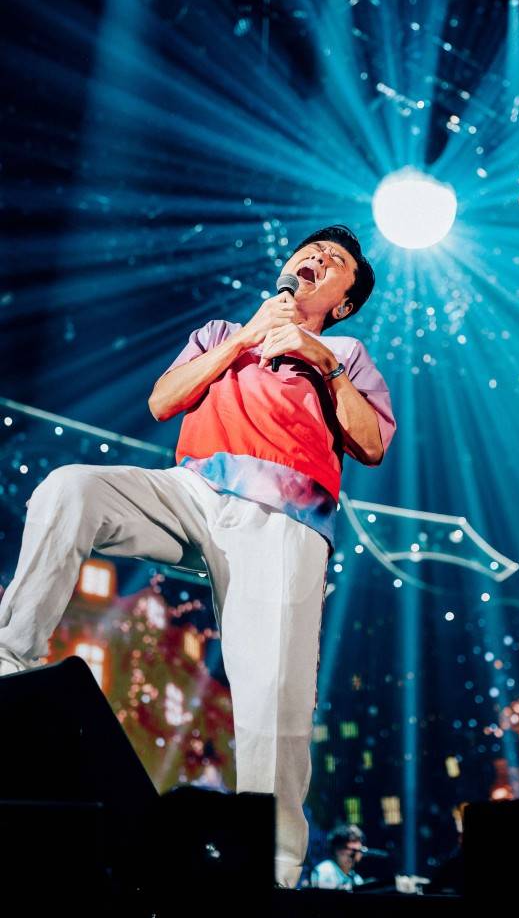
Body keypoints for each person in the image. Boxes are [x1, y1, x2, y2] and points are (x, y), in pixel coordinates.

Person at [0, 224, 397, 889]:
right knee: (71, 488)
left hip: (283, 516)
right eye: (312, 251)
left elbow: (372, 444)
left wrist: (319, 359)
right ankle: (11, 656)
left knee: (273, 693)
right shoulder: (220, 333)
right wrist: (244, 340)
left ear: (344, 302)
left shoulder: (345, 351)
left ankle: (273, 869)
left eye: (334, 264)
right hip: (192, 492)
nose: (317, 259)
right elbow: (163, 401)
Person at [310, 823, 367, 891]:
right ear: (336, 850)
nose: (352, 854)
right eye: (348, 849)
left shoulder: (356, 878)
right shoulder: (326, 870)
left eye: (357, 851)